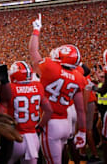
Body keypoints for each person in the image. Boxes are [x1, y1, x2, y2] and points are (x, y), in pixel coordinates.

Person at [29, 13, 87, 164]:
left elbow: (33, 53)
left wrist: (36, 31)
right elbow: (81, 110)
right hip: (65, 122)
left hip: (50, 122)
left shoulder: (50, 68)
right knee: (62, 156)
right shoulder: (78, 76)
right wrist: (82, 131)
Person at [7, 61, 52, 164]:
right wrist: (40, 126)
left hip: (14, 136)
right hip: (33, 137)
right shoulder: (38, 86)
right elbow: (49, 110)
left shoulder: (10, 89)